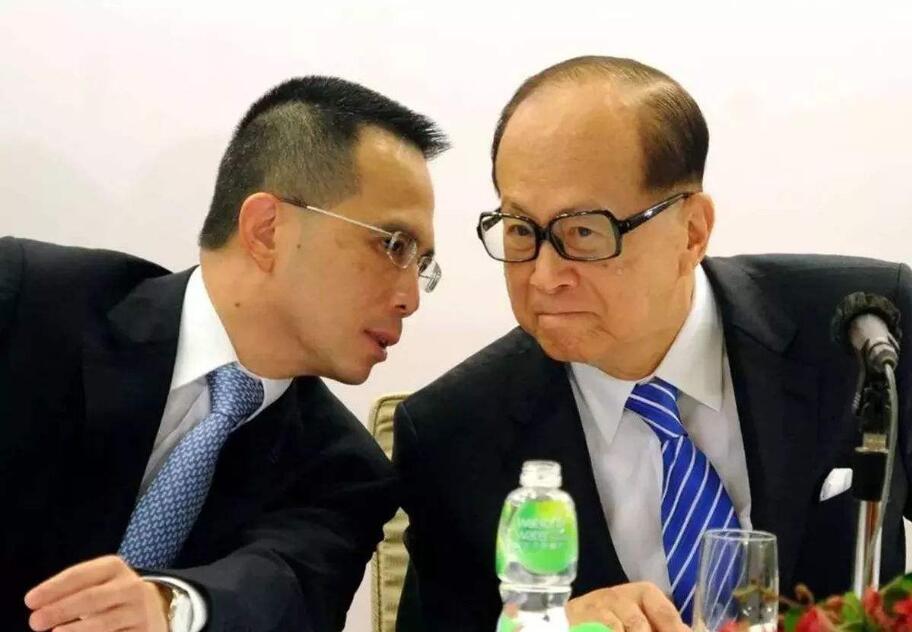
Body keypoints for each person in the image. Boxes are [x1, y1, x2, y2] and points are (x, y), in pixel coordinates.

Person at [394, 56, 911, 632]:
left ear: (692, 231)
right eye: (519, 230)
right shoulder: (452, 435)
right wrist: (540, 627)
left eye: (583, 232)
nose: (543, 276)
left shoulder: (864, 332)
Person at [0, 75, 448, 632]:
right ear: (267, 230)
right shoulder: (27, 301)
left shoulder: (347, 471)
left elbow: (279, 593)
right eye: (393, 245)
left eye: (421, 264)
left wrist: (171, 607)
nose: (410, 298)